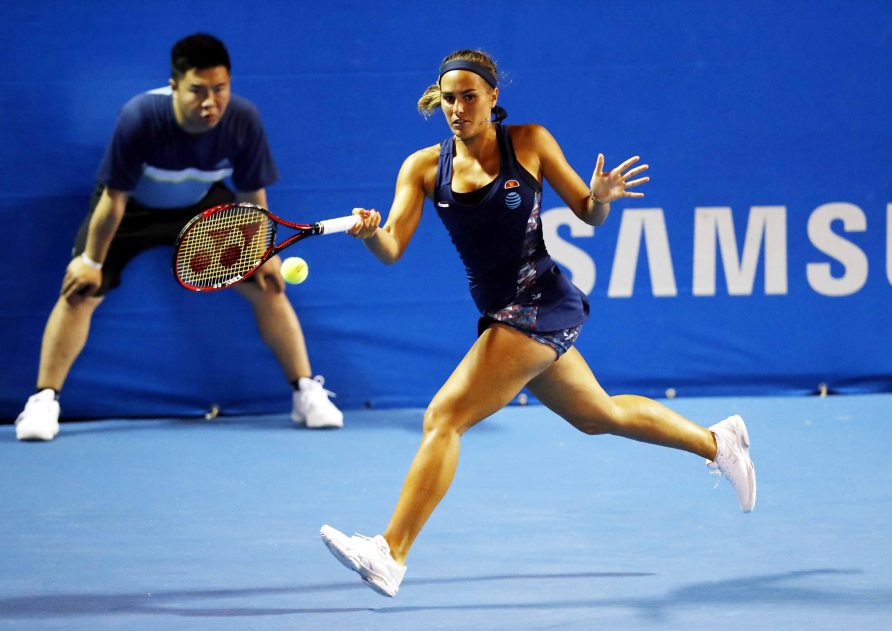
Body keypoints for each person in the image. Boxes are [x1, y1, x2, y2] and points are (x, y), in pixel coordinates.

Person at [319, 49, 756, 597]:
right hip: (501, 310)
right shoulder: (424, 168)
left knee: (444, 418)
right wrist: (369, 234)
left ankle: (391, 552)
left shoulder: (528, 142)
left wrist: (600, 198)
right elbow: (392, 249)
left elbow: (588, 212)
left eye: (469, 96)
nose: (458, 108)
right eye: (449, 99)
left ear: (492, 97)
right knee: (600, 415)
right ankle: (719, 443)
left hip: (538, 303)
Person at [14, 33, 342, 441]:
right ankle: (44, 400)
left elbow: (251, 197)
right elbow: (113, 199)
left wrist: (263, 252)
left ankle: (305, 391)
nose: (211, 102)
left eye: (220, 89)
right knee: (79, 290)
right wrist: (92, 262)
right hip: (131, 207)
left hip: (202, 207)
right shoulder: (140, 117)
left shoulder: (243, 120)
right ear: (174, 86)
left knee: (267, 285)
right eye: (198, 91)